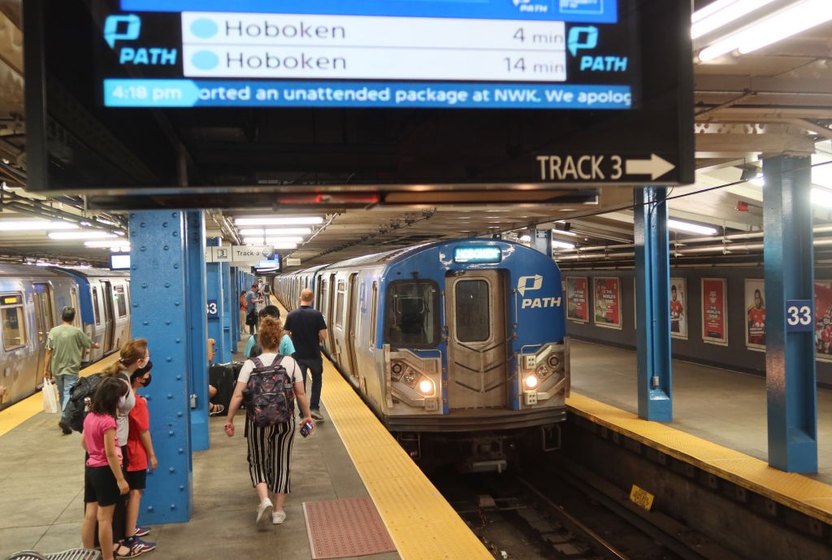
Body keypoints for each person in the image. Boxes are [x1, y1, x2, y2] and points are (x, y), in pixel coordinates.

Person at [224, 317, 315, 528]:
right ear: (279, 339)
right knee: (281, 462)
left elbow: (238, 395)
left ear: (260, 340)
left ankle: (264, 498)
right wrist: (307, 416)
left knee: (257, 460)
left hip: (256, 422)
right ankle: (278, 511)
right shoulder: (290, 363)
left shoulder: (249, 365)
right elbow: (300, 393)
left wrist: (229, 420)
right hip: (285, 420)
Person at [99, 339, 148, 551]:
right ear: (139, 362)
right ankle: (118, 544)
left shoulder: (124, 380)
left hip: (119, 443)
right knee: (116, 498)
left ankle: (121, 539)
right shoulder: (120, 384)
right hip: (116, 446)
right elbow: (110, 417)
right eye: (145, 357)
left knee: (120, 497)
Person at [80, 377, 130, 560]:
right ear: (114, 399)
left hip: (91, 469)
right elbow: (110, 453)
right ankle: (108, 557)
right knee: (105, 519)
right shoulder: (108, 422)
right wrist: (120, 479)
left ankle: (86, 554)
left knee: (90, 515)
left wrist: (94, 453)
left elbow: (83, 441)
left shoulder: (90, 417)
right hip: (106, 472)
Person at [44, 306, 100, 434]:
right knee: (69, 393)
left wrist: (45, 369)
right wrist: (96, 345)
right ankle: (65, 418)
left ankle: (65, 416)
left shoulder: (53, 331)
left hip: (57, 369)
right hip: (71, 368)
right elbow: (89, 343)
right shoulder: (76, 332)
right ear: (73, 318)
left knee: (62, 393)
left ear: (61, 317)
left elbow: (48, 351)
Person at [123, 361, 158, 556]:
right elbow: (143, 431)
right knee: (136, 493)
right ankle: (130, 538)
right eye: (146, 374)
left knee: (130, 494)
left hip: (126, 450)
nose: (148, 377)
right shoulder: (138, 403)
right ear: (138, 378)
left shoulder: (125, 399)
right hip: (136, 452)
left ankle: (128, 528)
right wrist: (152, 455)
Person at [283, 288, 328, 422]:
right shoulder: (317, 315)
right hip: (314, 355)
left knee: (299, 385)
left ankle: (303, 412)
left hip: (298, 356)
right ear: (312, 299)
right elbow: (323, 336)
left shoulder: (291, 315)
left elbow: (286, 334)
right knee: (317, 381)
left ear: (299, 298)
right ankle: (314, 408)